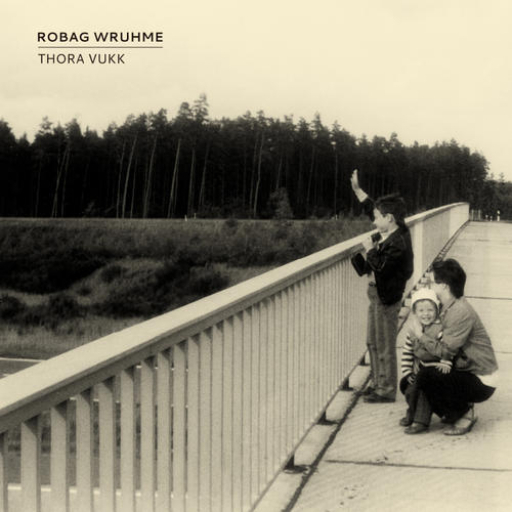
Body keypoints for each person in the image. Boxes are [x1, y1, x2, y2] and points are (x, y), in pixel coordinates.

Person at [412, 258, 498, 435]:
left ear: (444, 286)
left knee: (426, 377)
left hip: (482, 378)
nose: (429, 287)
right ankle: (453, 411)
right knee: (420, 376)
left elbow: (444, 351)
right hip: (468, 368)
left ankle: (464, 413)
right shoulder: (448, 307)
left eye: (432, 282)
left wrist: (420, 335)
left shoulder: (460, 311)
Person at [350, 169, 414, 403]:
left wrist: (369, 250)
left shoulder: (398, 243)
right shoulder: (393, 231)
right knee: (372, 342)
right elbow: (373, 209)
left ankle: (386, 389)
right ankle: (377, 384)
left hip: (387, 298)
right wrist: (358, 191)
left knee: (385, 344)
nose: (374, 221)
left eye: (378, 218)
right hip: (377, 295)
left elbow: (382, 268)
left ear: (389, 219)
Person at [400, 287, 453, 434]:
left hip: (436, 368)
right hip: (422, 368)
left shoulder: (440, 329)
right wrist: (407, 371)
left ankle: (421, 421)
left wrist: (446, 362)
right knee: (410, 388)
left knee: (424, 390)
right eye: (421, 310)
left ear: (437, 310)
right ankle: (412, 413)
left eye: (430, 310)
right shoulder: (413, 330)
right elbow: (407, 352)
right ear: (415, 312)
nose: (426, 314)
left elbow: (447, 348)